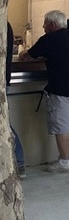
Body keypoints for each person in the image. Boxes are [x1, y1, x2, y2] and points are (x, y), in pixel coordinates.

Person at [18, 10, 69, 173]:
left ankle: (64, 162)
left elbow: (25, 56)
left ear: (52, 25)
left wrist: (21, 52)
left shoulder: (48, 39)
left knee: (61, 126)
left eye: (45, 24)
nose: (42, 26)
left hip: (60, 88)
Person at [6, 21, 25, 178]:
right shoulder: (6, 24)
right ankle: (18, 163)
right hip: (5, 80)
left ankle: (18, 162)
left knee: (4, 124)